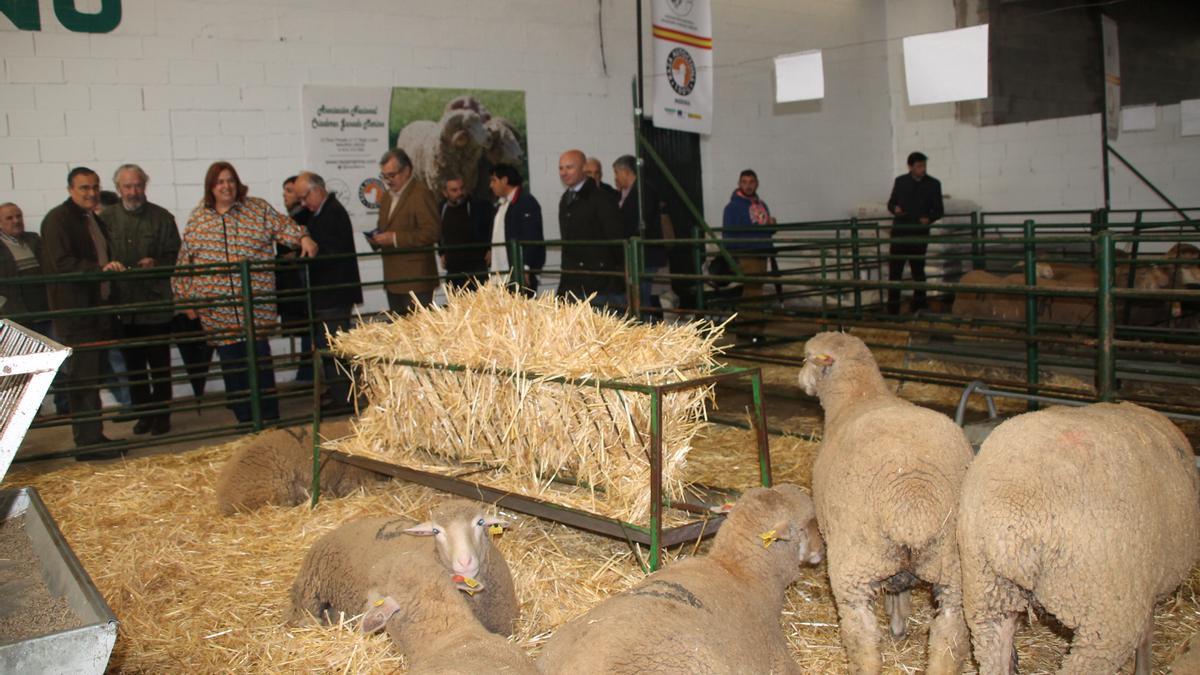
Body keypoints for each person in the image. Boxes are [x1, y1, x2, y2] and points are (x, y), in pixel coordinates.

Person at [173, 161, 318, 425]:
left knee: (259, 362)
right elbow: (185, 261)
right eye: (219, 182)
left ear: (237, 183)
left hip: (255, 307)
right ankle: (245, 421)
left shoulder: (257, 209)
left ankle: (268, 419)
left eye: (230, 180)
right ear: (211, 187)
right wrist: (185, 298)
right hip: (218, 311)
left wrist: (303, 237)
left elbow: (284, 227)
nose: (225, 186)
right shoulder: (198, 218)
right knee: (232, 366)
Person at [41, 167, 125, 459]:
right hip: (76, 312)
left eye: (94, 187)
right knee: (84, 378)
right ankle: (88, 444)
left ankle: (93, 437)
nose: (91, 193)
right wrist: (98, 270)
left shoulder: (92, 218)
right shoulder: (58, 220)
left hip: (96, 310)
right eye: (84, 188)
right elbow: (62, 262)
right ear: (70, 190)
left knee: (93, 375)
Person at [102, 164, 181, 436]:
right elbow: (99, 256)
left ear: (145, 186)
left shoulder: (162, 218)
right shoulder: (106, 219)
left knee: (159, 365)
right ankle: (143, 414)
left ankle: (162, 416)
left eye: (137, 185)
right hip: (123, 305)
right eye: (127, 186)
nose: (133, 191)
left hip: (155, 304)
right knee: (133, 367)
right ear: (118, 188)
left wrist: (156, 263)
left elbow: (176, 257)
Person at [292, 171, 362, 410]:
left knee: (334, 346)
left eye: (304, 198)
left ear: (316, 191)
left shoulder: (332, 214)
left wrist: (312, 253)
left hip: (334, 292)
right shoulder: (321, 212)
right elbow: (297, 216)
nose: (303, 204)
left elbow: (334, 253)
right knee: (328, 345)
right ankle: (338, 392)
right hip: (328, 293)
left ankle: (345, 399)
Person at [0, 202, 69, 414]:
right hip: (17, 316)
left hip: (45, 311)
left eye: (18, 216)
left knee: (58, 360)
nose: (16, 221)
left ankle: (65, 405)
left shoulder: (34, 240)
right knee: (22, 366)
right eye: (9, 218)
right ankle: (28, 411)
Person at [370, 149, 440, 314]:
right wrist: (377, 238)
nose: (387, 181)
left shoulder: (421, 194)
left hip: (416, 279)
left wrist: (394, 239)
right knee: (398, 330)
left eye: (391, 175)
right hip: (392, 277)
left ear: (407, 171)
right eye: (384, 176)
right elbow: (384, 227)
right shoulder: (387, 197)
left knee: (417, 331)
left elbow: (432, 232)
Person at [557, 149, 625, 307]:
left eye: (569, 167)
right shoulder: (565, 199)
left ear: (583, 169)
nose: (564, 172)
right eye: (561, 168)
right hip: (573, 281)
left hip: (598, 283)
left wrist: (615, 275)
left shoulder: (601, 199)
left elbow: (616, 238)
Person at [612, 155, 673, 319]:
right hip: (639, 254)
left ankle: (649, 331)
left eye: (617, 173)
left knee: (643, 296)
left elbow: (637, 221)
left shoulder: (643, 191)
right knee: (640, 296)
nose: (616, 177)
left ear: (625, 172)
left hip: (646, 254)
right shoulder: (631, 192)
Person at [886, 151, 944, 314]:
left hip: (919, 233)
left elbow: (939, 210)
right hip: (900, 234)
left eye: (924, 165)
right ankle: (893, 309)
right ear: (910, 167)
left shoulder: (933, 184)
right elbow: (891, 203)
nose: (922, 169)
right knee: (895, 273)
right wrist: (895, 209)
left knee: (918, 271)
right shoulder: (901, 182)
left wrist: (929, 218)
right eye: (919, 166)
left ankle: (919, 305)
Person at [488, 163, 545, 295]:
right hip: (503, 274)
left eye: (494, 180)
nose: (491, 185)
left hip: (518, 274)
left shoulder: (526, 202)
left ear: (505, 180)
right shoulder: (502, 205)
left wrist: (525, 267)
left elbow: (532, 236)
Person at [721, 169, 776, 301]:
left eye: (751, 182)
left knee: (755, 289)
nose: (748, 185)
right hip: (747, 254)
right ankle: (751, 319)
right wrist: (735, 259)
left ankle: (749, 319)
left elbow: (766, 230)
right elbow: (728, 235)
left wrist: (772, 225)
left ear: (757, 184)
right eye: (744, 182)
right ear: (739, 183)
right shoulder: (732, 207)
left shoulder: (762, 205)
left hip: (762, 253)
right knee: (753, 290)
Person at [277, 175, 312, 380]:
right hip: (294, 282)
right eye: (285, 192)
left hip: (301, 282)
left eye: (290, 191)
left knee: (309, 325)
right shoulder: (290, 219)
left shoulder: (303, 218)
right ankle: (306, 372)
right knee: (307, 327)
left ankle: (307, 374)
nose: (286, 196)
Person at [438, 176, 492, 292]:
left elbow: (490, 227)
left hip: (476, 266)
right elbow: (438, 232)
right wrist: (441, 252)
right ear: (445, 193)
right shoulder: (441, 209)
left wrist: (489, 248)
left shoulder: (478, 206)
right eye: (454, 190)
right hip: (453, 269)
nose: (460, 193)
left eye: (461, 188)